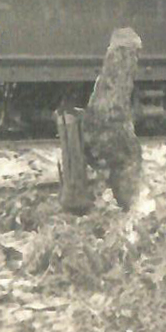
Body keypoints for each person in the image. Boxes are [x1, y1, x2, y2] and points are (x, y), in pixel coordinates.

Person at [59, 27, 146, 214]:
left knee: (127, 158)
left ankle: (115, 200)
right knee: (130, 159)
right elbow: (113, 112)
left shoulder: (106, 77)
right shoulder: (124, 65)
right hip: (108, 132)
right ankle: (130, 206)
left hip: (97, 128)